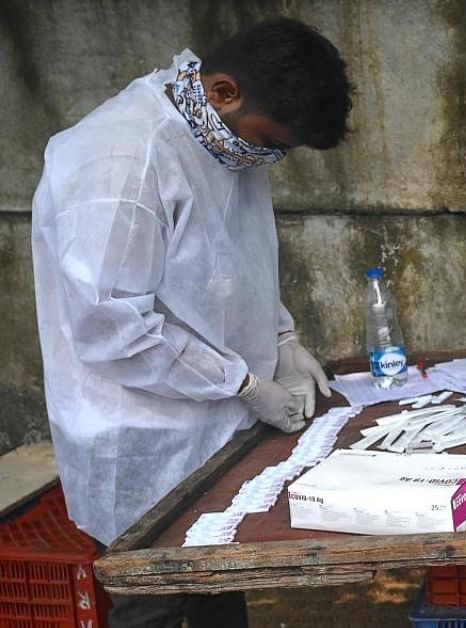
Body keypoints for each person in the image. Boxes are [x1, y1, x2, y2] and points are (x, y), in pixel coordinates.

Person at [31, 18, 353, 627]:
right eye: (269, 142)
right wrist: (244, 384)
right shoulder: (121, 163)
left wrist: (281, 337)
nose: (268, 158)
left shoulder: (219, 136)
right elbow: (114, 327)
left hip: (212, 420)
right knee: (150, 598)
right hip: (141, 431)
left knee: (218, 580)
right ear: (225, 91)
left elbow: (231, 263)